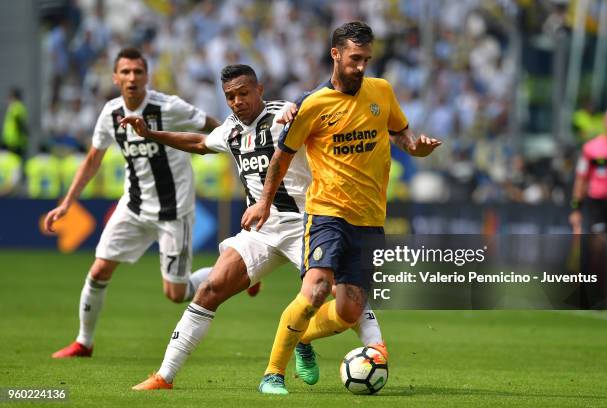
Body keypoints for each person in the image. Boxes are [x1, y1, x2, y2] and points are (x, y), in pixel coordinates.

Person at [124, 64, 386, 391]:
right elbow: (200, 142)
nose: (237, 101)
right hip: (260, 231)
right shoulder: (231, 129)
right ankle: (164, 376)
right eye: (230, 96)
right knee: (210, 289)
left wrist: (299, 108)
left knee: (337, 292)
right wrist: (151, 134)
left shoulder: (285, 116)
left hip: (309, 224)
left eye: (243, 93)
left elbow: (322, 105)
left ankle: (338, 342)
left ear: (259, 90)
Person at [241, 21, 441, 394]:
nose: (361, 66)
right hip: (327, 213)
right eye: (354, 59)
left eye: (366, 58)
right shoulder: (313, 104)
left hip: (370, 220)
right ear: (335, 54)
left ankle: (303, 337)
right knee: (316, 290)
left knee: (349, 311)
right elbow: (281, 159)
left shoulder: (381, 91)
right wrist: (264, 202)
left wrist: (416, 147)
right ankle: (273, 374)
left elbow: (398, 130)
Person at [44, 47, 221, 358]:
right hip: (134, 206)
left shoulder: (168, 106)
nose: (132, 77)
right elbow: (92, 159)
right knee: (99, 270)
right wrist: (67, 203)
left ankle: (232, 272)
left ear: (146, 76)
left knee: (175, 294)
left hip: (173, 210)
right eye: (125, 72)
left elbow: (211, 124)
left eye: (138, 71)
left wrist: (241, 144)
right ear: (115, 78)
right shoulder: (110, 113)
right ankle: (84, 342)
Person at [569, 108, 607, 235]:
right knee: (599, 242)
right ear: (604, 122)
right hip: (597, 203)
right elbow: (580, 179)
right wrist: (576, 209)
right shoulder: (590, 148)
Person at [2, 87, 28, 159]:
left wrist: (21, 139)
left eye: (10, 96)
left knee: (15, 161)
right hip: (11, 140)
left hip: (15, 142)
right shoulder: (14, 107)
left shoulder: (17, 107)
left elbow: (20, 123)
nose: (8, 98)